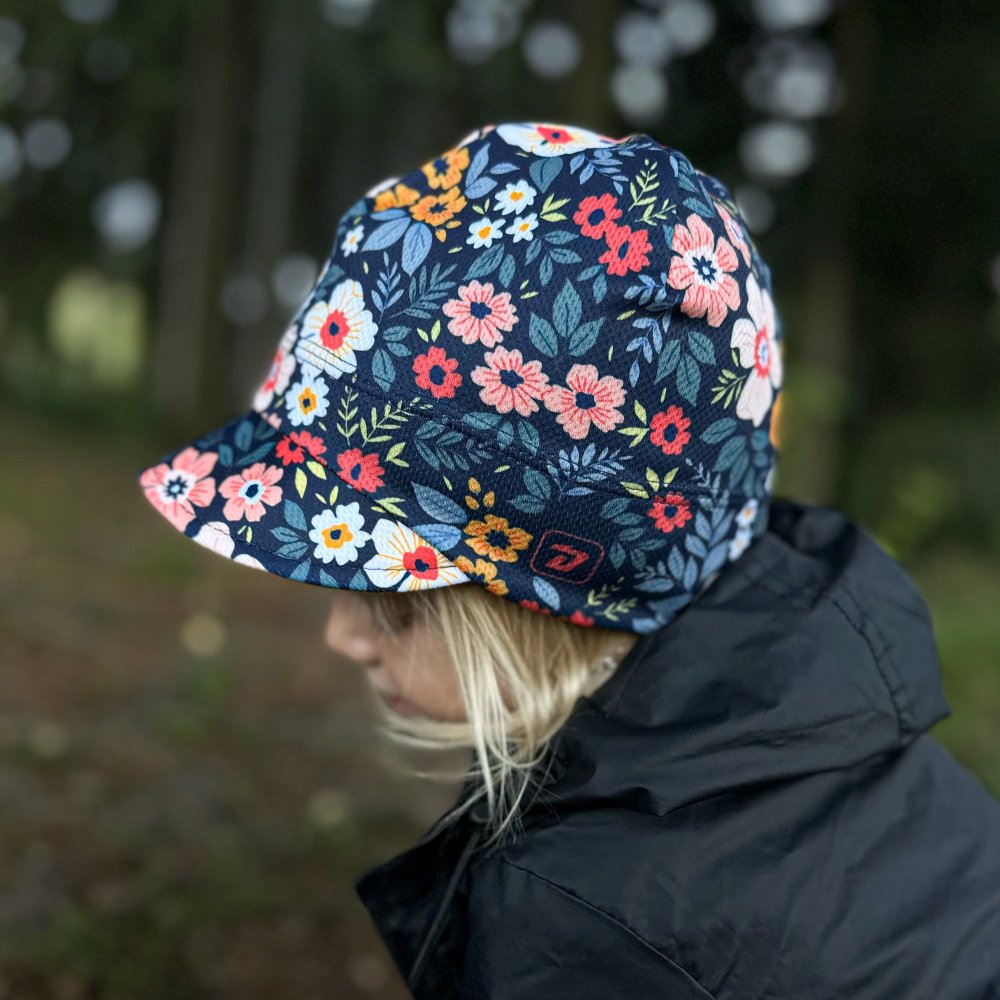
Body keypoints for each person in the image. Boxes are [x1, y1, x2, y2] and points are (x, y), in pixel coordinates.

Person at [138, 121, 1000, 998]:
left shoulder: (575, 922)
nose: (342, 637)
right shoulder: (818, 701)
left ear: (560, 588)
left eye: (396, 599)